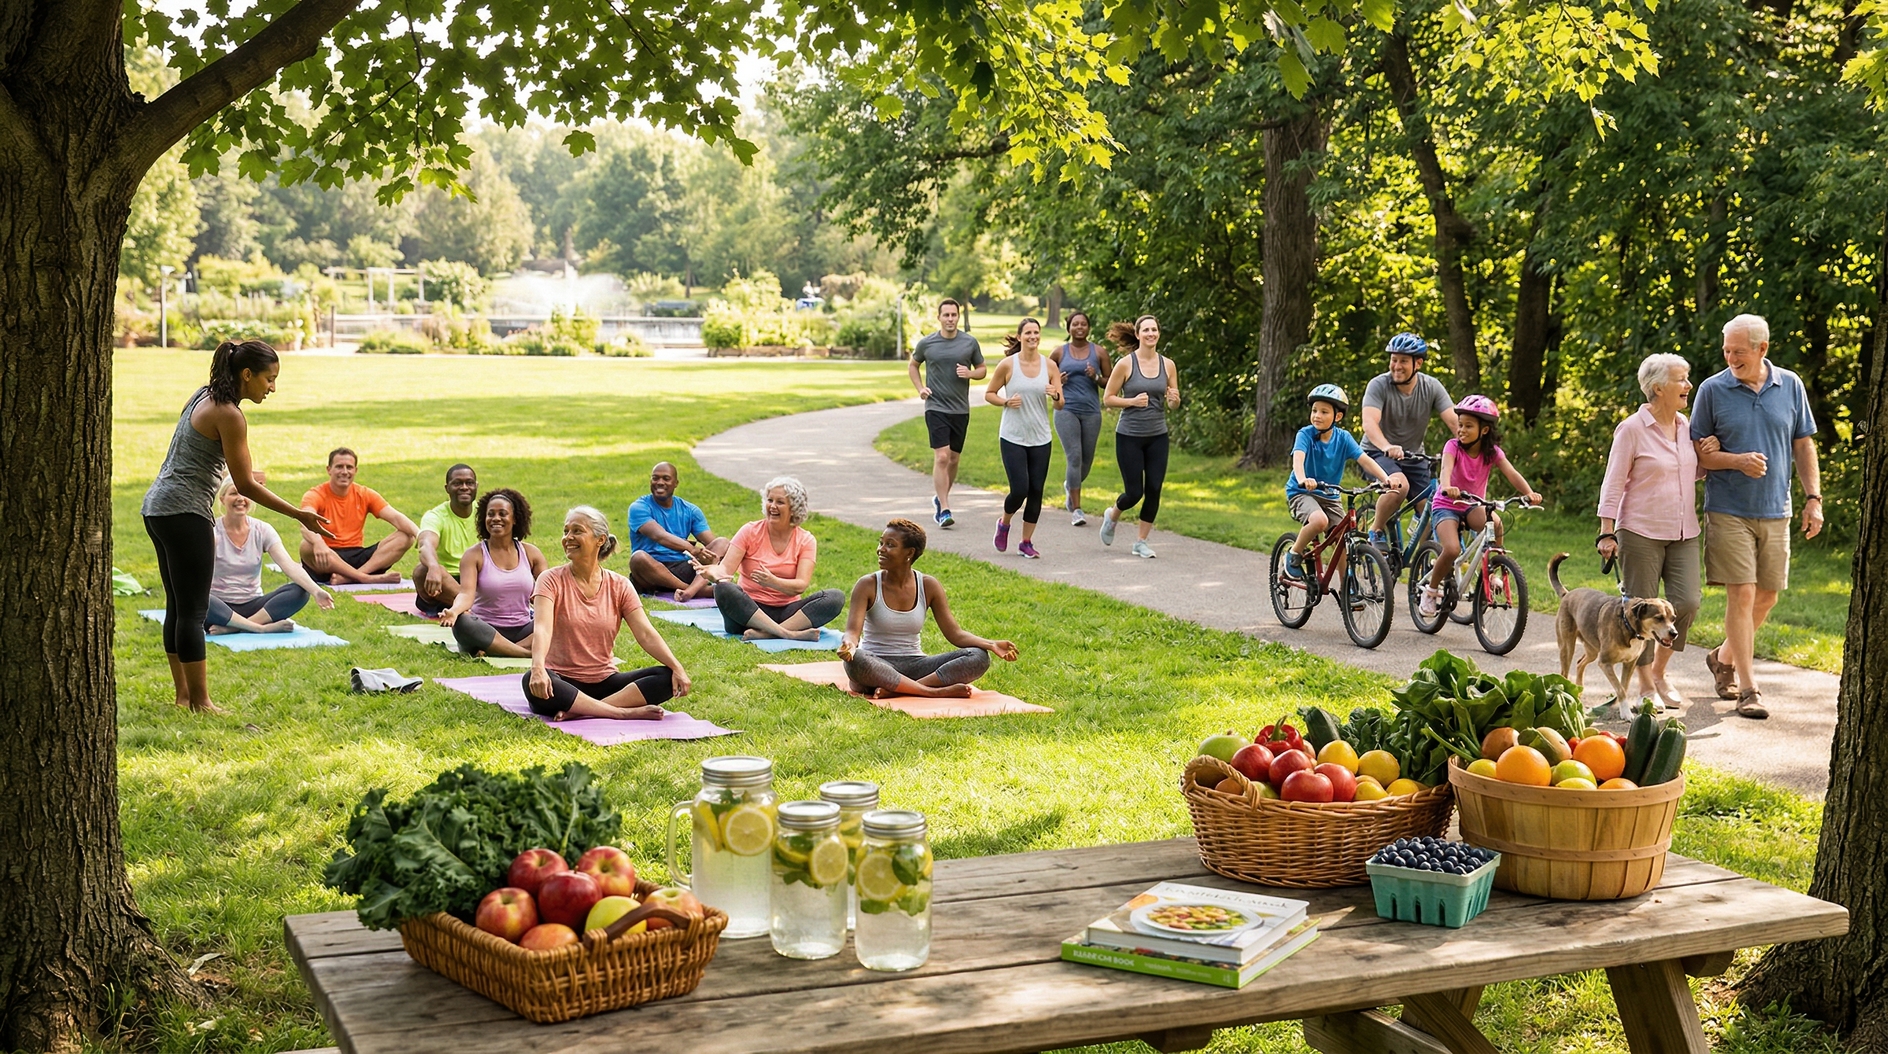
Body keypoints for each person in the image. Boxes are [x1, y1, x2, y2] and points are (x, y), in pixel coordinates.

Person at [141, 340, 334, 714]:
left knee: (178, 606)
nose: (272, 388)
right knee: (192, 611)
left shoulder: (204, 395)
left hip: (158, 508)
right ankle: (201, 702)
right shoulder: (229, 413)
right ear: (247, 375)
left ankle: (184, 697)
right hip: (184, 511)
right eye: (269, 379)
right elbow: (244, 485)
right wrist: (298, 514)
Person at [1690, 313, 1822, 720]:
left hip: (1776, 507)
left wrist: (1813, 497)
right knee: (1742, 593)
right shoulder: (1712, 390)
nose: (1730, 357)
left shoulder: (1791, 385)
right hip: (1728, 507)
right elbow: (1698, 452)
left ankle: (1723, 656)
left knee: (1767, 595)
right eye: (1726, 350)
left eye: (1739, 351)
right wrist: (1736, 461)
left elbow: (1803, 445)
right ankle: (1748, 687)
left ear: (1762, 349)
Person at [1596, 354, 1704, 712]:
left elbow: (1687, 471)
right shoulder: (1631, 429)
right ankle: (1644, 685)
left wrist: (1710, 456)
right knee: (1638, 612)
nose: (1689, 386)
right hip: (1640, 530)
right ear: (1658, 388)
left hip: (1684, 530)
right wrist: (1606, 531)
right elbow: (1613, 482)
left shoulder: (1687, 426)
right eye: (1681, 380)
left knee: (1686, 602)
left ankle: (1659, 671)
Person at [524, 506, 692, 721]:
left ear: (600, 540)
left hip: (606, 684)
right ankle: (620, 712)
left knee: (667, 677)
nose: (568, 538)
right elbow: (542, 628)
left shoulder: (619, 585)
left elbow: (646, 634)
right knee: (531, 680)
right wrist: (538, 668)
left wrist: (677, 668)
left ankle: (581, 711)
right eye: (566, 531)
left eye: (577, 531)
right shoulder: (550, 579)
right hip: (563, 683)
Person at [837, 519, 1020, 697]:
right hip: (876, 663)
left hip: (916, 665)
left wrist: (991, 644)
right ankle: (932, 692)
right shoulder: (867, 584)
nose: (881, 549)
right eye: (881, 543)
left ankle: (899, 689)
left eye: (890, 545)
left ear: (909, 553)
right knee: (856, 661)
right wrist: (849, 645)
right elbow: (853, 632)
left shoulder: (928, 585)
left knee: (978, 656)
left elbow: (955, 634)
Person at [1418, 396, 1543, 618]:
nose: (1461, 430)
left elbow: (1511, 473)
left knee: (1496, 523)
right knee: (1453, 549)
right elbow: (1445, 469)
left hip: (1472, 504)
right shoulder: (1453, 446)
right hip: (1446, 504)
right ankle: (1432, 590)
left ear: (1484, 430)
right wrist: (1446, 487)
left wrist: (1529, 493)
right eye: (1460, 425)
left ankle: (1493, 570)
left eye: (1468, 426)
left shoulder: (1492, 452)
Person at [694, 476, 845, 640]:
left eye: (780, 502)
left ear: (793, 508)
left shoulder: (806, 540)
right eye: (770, 500)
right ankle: (785, 634)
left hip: (787, 613)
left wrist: (772, 581)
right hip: (747, 613)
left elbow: (800, 585)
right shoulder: (749, 531)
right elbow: (725, 571)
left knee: (835, 597)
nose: (772, 506)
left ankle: (766, 634)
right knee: (722, 587)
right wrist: (714, 572)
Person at [1283, 385, 1393, 583]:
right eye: (1314, 410)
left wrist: (1386, 479)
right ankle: (1294, 554)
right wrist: (1302, 479)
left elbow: (1364, 459)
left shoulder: (1343, 438)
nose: (1317, 415)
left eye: (1324, 412)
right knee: (1319, 521)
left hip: (1329, 495)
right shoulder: (1305, 435)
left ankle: (1347, 586)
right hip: (1302, 492)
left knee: (1343, 539)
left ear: (1338, 417)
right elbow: (1298, 460)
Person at [1360, 333, 1459, 548]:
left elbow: (1454, 422)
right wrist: (1387, 446)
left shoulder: (1431, 386)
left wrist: (1470, 448)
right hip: (1376, 452)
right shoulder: (1378, 385)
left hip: (1413, 456)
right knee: (1399, 486)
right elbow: (1369, 423)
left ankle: (1421, 565)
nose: (1396, 366)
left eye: (1403, 361)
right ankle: (1376, 530)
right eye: (1394, 360)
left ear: (1418, 364)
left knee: (1432, 510)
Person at [207, 477, 335, 634]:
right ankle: (259, 628)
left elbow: (289, 565)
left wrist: (316, 591)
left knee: (300, 591)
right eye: (233, 493)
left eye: (244, 494)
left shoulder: (262, 529)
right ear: (222, 499)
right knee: (197, 599)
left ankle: (235, 627)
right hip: (220, 608)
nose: (240, 499)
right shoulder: (211, 530)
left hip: (254, 606)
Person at [1099, 315, 1181, 559]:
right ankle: (1112, 515)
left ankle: (1141, 542)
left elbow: (1174, 402)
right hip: (1129, 436)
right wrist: (1131, 401)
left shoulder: (1168, 365)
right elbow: (1108, 398)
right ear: (1137, 335)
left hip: (1158, 435)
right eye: (1146, 330)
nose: (1150, 333)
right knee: (1134, 493)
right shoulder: (1125, 364)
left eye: (1154, 329)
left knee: (1154, 488)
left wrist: (1174, 401)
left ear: (1158, 333)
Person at [985, 318, 1065, 559]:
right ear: (1019, 337)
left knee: (1037, 490)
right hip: (1013, 436)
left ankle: (1026, 542)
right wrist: (1006, 401)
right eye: (1028, 333)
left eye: (1036, 333)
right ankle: (1004, 523)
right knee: (1020, 489)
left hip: (1041, 437)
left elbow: (1061, 405)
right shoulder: (1008, 365)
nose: (1033, 336)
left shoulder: (1050, 366)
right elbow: (990, 394)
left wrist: (1056, 395)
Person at [908, 298, 987, 528]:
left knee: (953, 459)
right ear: (939, 317)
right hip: (935, 407)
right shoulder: (927, 343)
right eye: (946, 315)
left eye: (954, 315)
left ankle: (940, 497)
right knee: (942, 456)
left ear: (958, 317)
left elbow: (982, 369)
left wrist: (970, 374)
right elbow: (913, 365)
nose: (950, 319)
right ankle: (944, 508)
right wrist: (921, 388)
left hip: (960, 409)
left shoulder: (969, 343)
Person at [441, 488, 547, 658]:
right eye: (491, 514)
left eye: (503, 514)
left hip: (524, 630)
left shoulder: (531, 553)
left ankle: (503, 650)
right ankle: (525, 653)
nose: (496, 519)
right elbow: (466, 594)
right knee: (462, 622)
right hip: (485, 631)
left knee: (563, 618)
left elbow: (549, 594)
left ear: (515, 519)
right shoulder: (474, 555)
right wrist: (454, 611)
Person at [299, 448, 419, 585]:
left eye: (349, 467)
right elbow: (305, 521)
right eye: (339, 467)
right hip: (327, 558)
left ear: (355, 470)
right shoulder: (315, 494)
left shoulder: (364, 493)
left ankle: (351, 577)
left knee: (406, 536)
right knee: (306, 546)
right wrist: (318, 543)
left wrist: (421, 536)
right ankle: (365, 578)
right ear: (329, 470)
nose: (344, 472)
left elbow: (396, 517)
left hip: (357, 555)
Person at [626, 461, 727, 600]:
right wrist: (691, 548)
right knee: (638, 558)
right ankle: (698, 591)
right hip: (650, 573)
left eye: (666, 478)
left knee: (722, 543)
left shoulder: (690, 510)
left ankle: (691, 590)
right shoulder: (639, 507)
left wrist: (713, 558)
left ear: (676, 483)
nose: (660, 482)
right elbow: (659, 536)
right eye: (655, 478)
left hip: (684, 568)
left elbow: (711, 543)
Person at [1050, 310, 1111, 525]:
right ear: (1069, 328)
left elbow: (1109, 382)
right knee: (1074, 456)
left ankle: (1070, 485)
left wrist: (1095, 377)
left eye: (1083, 324)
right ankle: (1077, 509)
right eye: (1075, 324)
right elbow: (1047, 380)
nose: (1079, 327)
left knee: (1086, 461)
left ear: (1088, 327)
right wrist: (1059, 382)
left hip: (1091, 411)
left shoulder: (1100, 352)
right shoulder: (1059, 353)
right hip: (1066, 409)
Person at [414, 464, 481, 616]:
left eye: (469, 483)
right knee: (421, 571)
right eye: (457, 483)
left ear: (476, 486)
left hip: (477, 578)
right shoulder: (435, 516)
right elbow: (426, 544)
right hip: (444, 582)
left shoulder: (486, 514)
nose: (464, 487)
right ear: (447, 488)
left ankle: (472, 608)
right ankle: (479, 609)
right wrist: (433, 567)